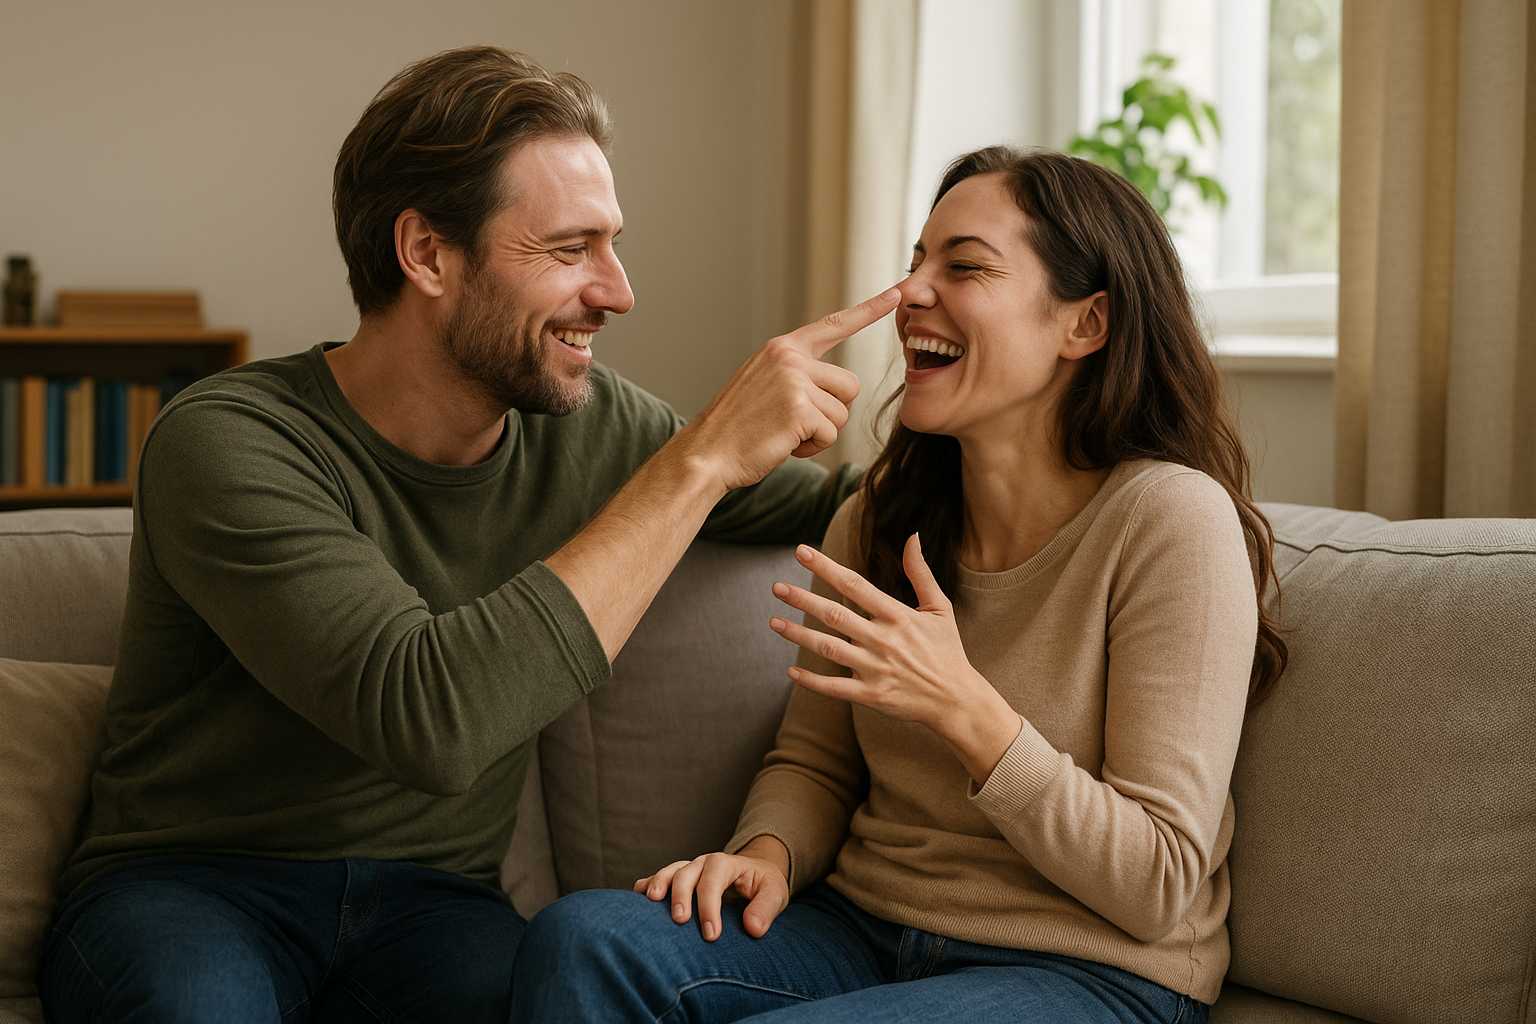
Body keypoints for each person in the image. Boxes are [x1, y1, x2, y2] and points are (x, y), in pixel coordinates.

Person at [37, 46, 899, 1024]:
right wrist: (698, 463)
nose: (618, 292)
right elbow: (431, 718)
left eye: (612, 245)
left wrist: (1043, 431)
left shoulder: (593, 425)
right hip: (191, 885)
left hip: (434, 904)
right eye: (570, 250)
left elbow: (855, 505)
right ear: (428, 252)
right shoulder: (227, 440)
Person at [510, 146, 1289, 1023]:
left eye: (964, 266)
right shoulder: (883, 517)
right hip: (865, 931)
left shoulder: (1169, 522)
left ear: (1085, 324)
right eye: (918, 261)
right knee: (582, 938)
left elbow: (1156, 883)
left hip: (1090, 969)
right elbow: (816, 761)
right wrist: (766, 854)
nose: (912, 291)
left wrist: (966, 707)